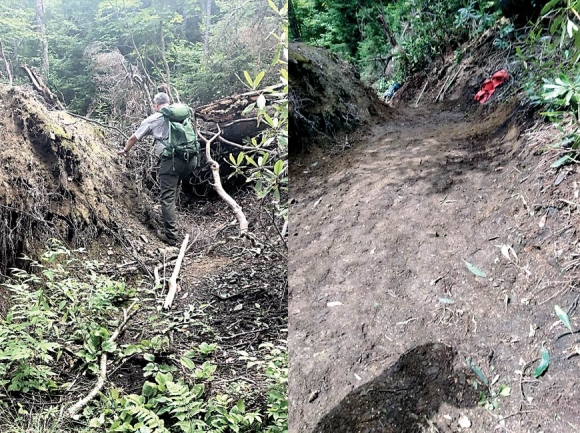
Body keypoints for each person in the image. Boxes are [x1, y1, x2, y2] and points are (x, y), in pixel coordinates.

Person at [118, 92, 197, 246]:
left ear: (155, 105)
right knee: (173, 188)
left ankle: (171, 235)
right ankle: (174, 216)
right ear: (170, 102)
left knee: (167, 197)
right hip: (192, 160)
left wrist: (126, 150)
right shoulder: (183, 114)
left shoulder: (153, 118)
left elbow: (134, 138)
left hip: (172, 162)